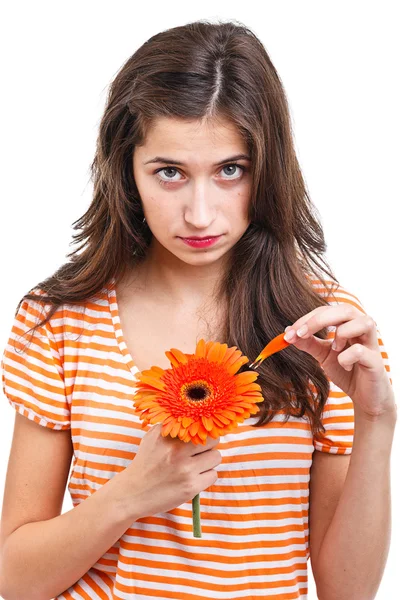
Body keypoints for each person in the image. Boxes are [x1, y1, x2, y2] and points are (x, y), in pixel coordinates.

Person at [0, 18, 396, 600]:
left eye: (230, 170)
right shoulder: (61, 320)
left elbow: (348, 591)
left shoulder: (324, 327)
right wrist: (135, 491)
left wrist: (377, 422)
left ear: (267, 169)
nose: (201, 214)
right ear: (126, 170)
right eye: (169, 173)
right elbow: (12, 581)